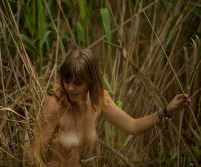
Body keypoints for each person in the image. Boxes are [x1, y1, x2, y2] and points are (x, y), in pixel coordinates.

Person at [27, 48, 191, 167]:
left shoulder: (98, 100)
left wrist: (166, 111)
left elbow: (132, 126)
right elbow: (32, 154)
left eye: (77, 83)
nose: (70, 88)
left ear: (90, 81)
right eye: (67, 81)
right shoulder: (55, 105)